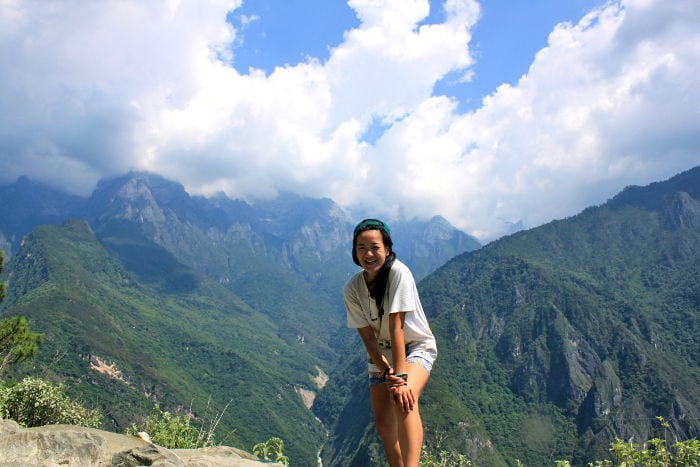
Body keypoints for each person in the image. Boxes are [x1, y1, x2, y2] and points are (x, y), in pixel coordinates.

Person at [343, 218, 438, 467]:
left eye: (375, 246)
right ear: (354, 252)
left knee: (403, 397)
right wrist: (387, 370)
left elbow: (397, 327)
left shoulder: (399, 274)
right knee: (385, 427)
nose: (368, 253)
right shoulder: (352, 288)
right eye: (361, 247)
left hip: (416, 346)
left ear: (387, 248)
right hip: (382, 355)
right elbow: (367, 337)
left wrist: (401, 378)